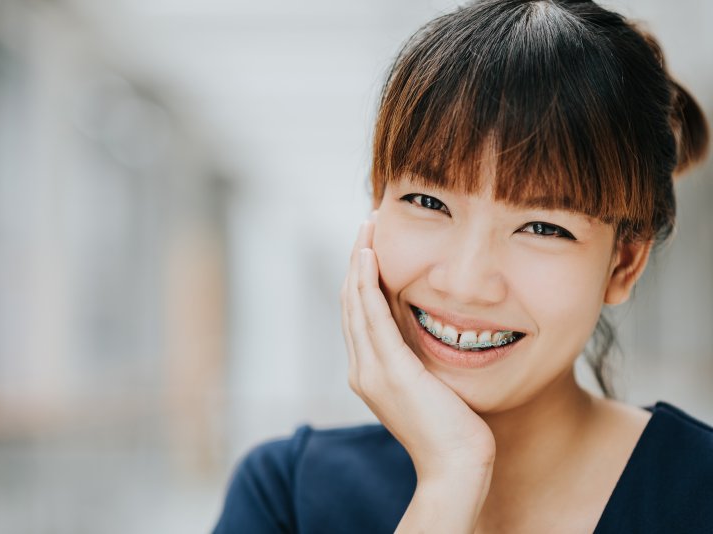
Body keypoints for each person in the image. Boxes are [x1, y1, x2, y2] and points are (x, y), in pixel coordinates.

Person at [213, 0, 711, 532]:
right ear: (377, 205)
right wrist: (450, 477)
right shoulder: (287, 497)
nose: (466, 282)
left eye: (542, 228)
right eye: (429, 202)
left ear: (624, 263)